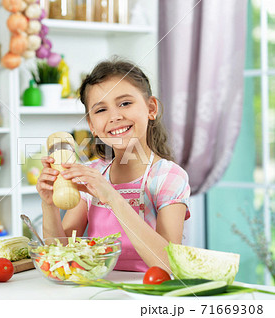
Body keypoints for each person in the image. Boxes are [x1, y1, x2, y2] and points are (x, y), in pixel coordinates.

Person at [36, 57, 190, 273]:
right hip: (97, 290)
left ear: (151, 108)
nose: (115, 116)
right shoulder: (92, 174)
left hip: (150, 292)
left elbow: (169, 264)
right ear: (92, 126)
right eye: (100, 110)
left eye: (125, 103)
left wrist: (112, 196)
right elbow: (59, 256)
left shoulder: (169, 177)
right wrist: (49, 205)